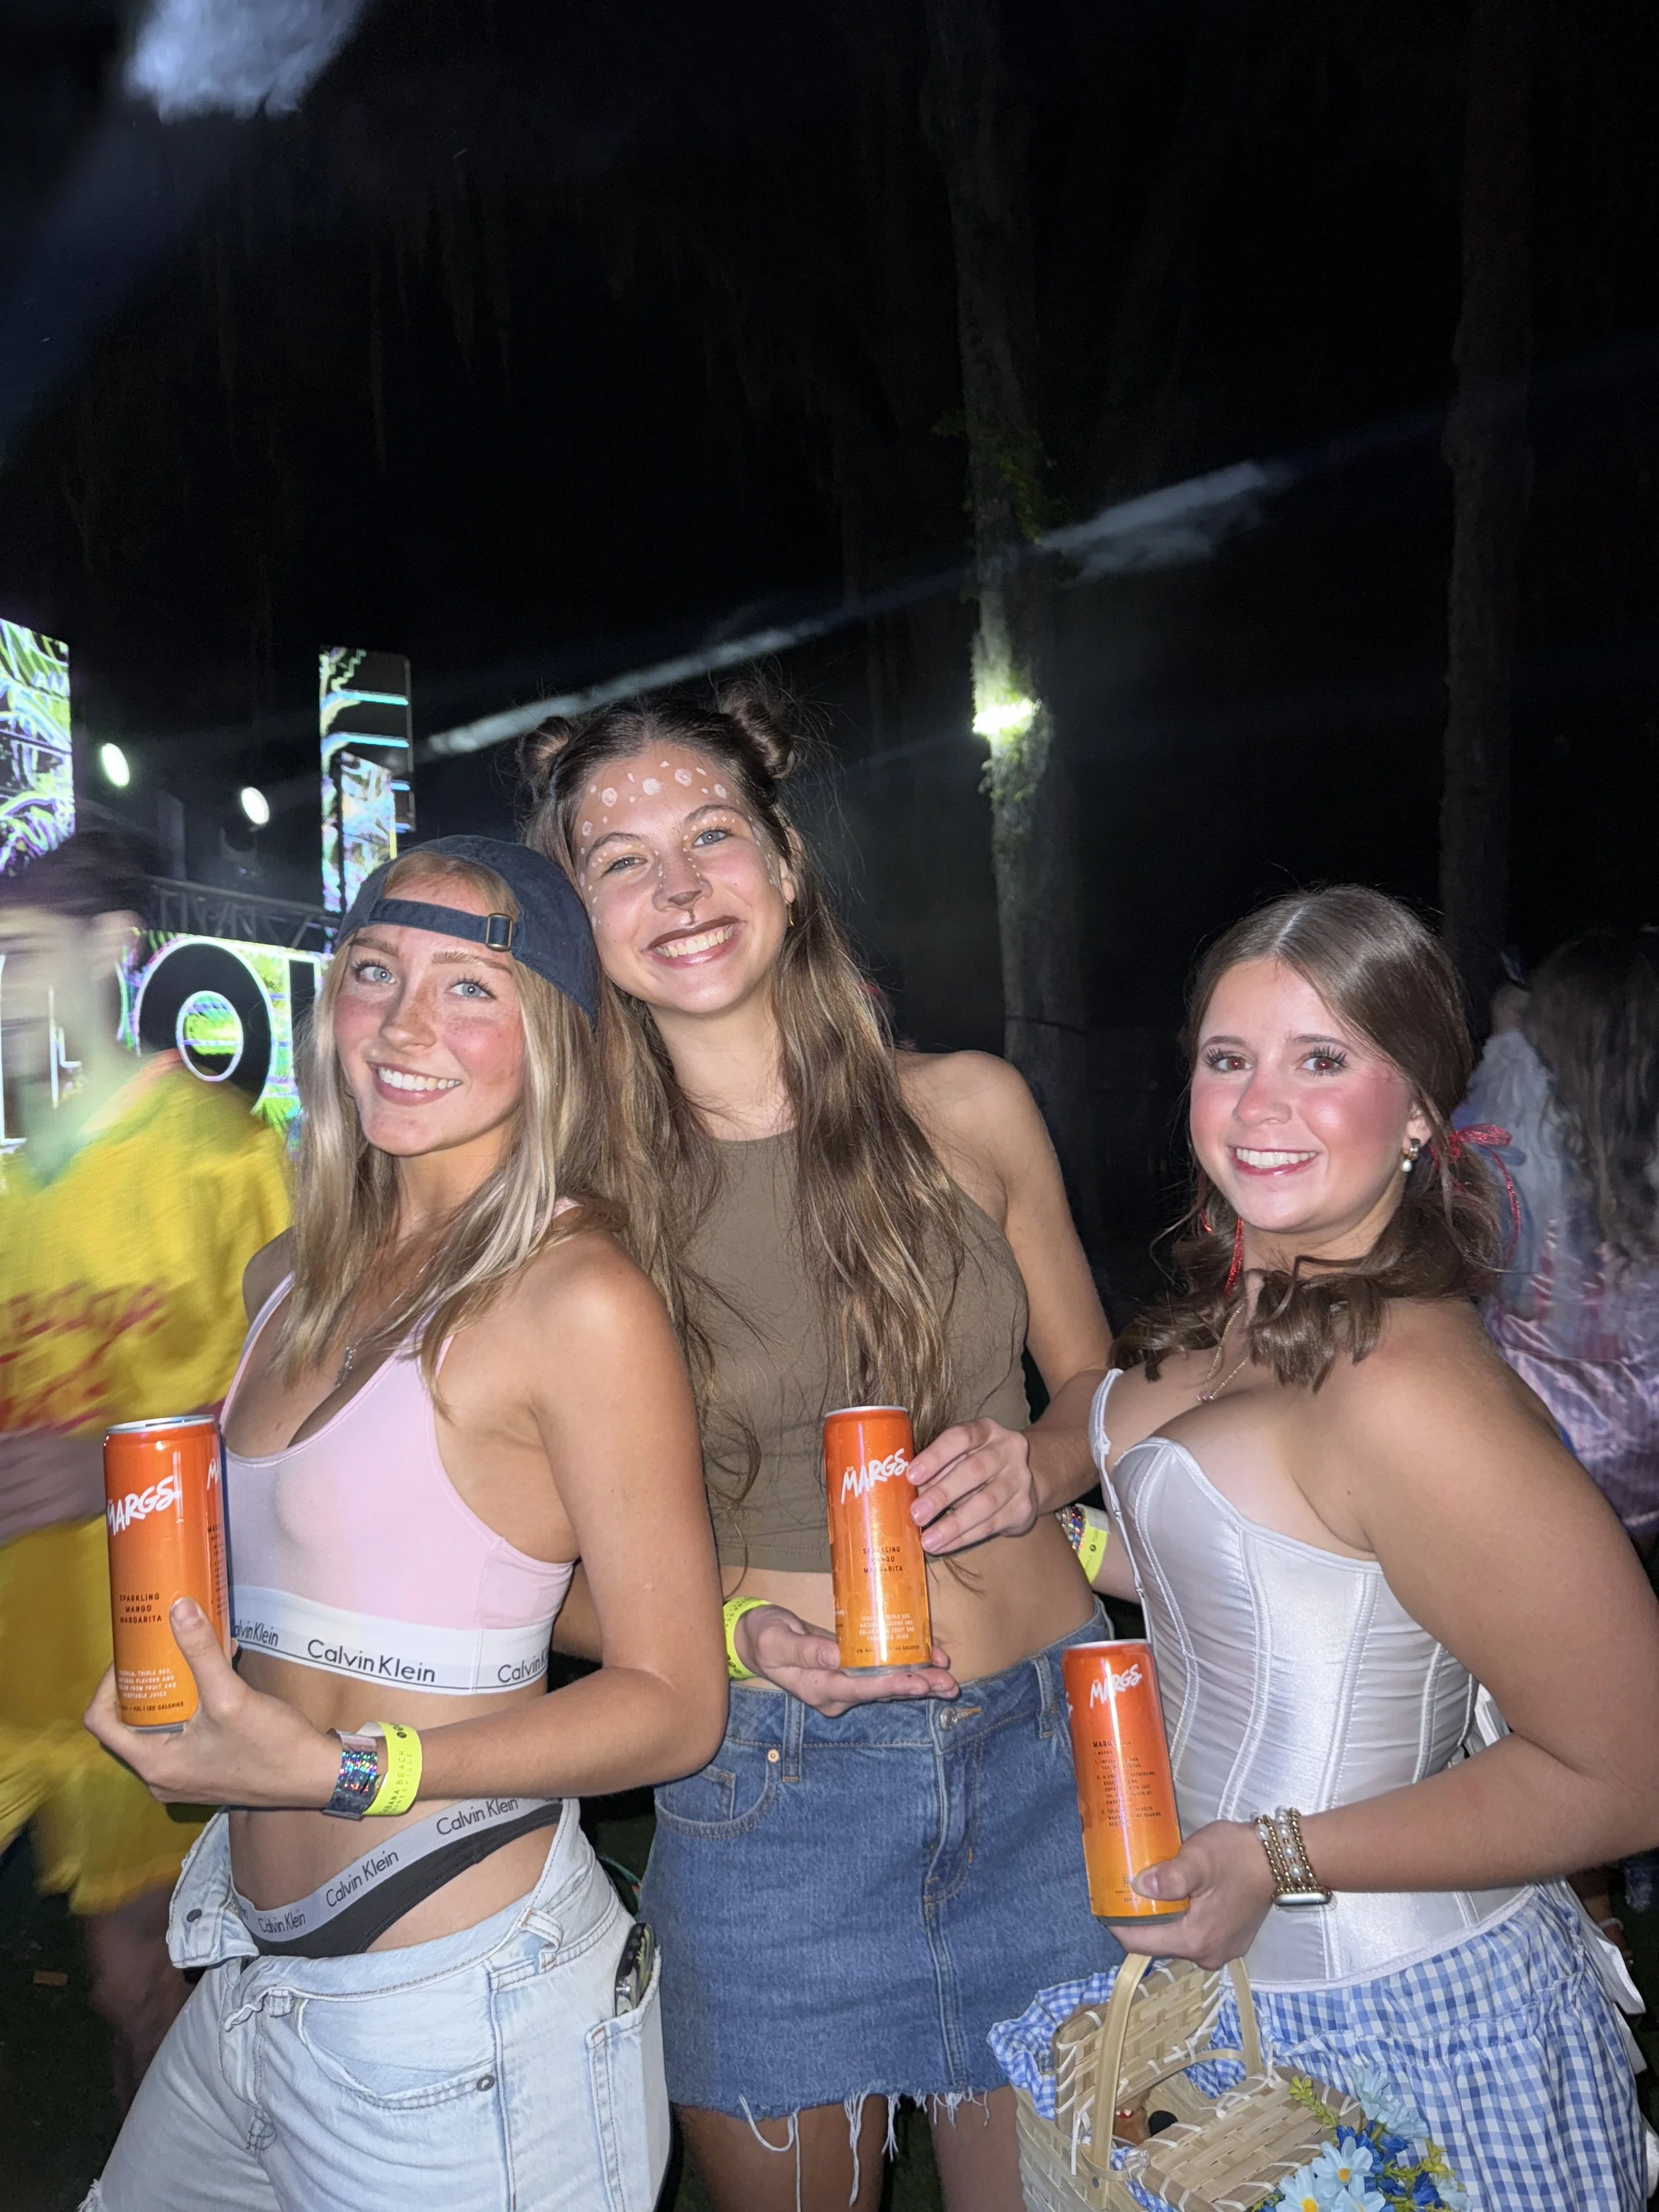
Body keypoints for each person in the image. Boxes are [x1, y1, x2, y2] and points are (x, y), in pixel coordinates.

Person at [520, 683, 1119, 2212]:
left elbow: (1094, 1382)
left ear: (786, 865)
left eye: (712, 833)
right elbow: (533, 1576)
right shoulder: (574, 1221)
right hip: (779, 1794)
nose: (679, 885)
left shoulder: (972, 1109)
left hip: (1056, 1760)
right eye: (618, 859)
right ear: (579, 920)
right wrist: (736, 1633)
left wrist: (1047, 1466)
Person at [79, 837, 727, 2212]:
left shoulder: (577, 1296)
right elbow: (432, 1566)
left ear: (550, 1035)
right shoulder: (288, 1276)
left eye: (471, 987)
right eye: (375, 971)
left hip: (463, 2019)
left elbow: (673, 1703)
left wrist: (330, 1769)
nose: (406, 1023)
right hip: (257, 1980)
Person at [1074, 887, 1657, 2209]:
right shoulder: (1251, 1300)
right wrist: (1031, 1519)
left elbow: (1632, 1771)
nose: (1257, 1103)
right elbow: (1264, 1570)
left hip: (1387, 2017)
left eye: (1319, 1058)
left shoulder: (1409, 1387)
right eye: (1228, 1058)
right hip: (1217, 1984)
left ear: (1414, 1112)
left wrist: (1268, 1859)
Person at [0, 830, 289, 2107]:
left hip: (151, 1661)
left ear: (112, 954)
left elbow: (304, 1413)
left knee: (140, 1988)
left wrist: (105, 1470)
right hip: (18, 1658)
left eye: (20, 956)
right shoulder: (13, 1186)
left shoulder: (221, 1152)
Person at [1462, 928, 1659, 1552]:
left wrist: (1503, 1046)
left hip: (1536, 1441)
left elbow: (1452, 1209)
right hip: (1646, 1441)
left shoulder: (1517, 1128)